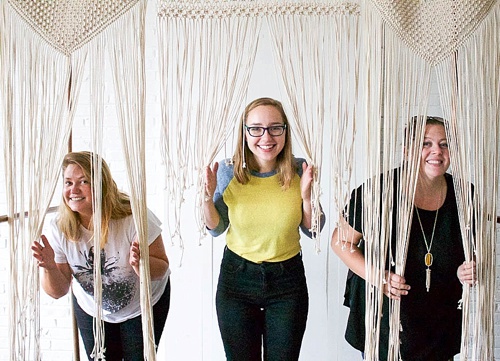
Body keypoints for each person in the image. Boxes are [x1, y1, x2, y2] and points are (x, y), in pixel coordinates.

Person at [331, 116, 476, 361]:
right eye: (425, 144)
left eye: (444, 144)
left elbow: (466, 250)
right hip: (390, 315)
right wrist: (380, 277)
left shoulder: (464, 194)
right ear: (407, 150)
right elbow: (340, 242)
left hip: (439, 314)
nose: (436, 152)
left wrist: (466, 270)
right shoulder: (378, 191)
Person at [203, 97, 325, 361]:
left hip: (286, 282)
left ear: (285, 131)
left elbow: (314, 230)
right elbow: (216, 228)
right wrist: (205, 198)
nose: (266, 137)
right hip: (237, 280)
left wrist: (306, 196)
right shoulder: (227, 171)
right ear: (245, 133)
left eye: (274, 128)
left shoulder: (299, 168)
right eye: (256, 128)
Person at [31, 151, 171, 361]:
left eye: (83, 181)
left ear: (101, 183)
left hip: (142, 306)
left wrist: (142, 265)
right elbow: (58, 291)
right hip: (92, 310)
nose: (74, 190)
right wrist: (49, 266)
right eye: (68, 183)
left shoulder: (133, 216)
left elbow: (162, 268)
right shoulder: (59, 227)